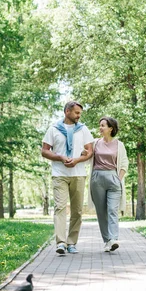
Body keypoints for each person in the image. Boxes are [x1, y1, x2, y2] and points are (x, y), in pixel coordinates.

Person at [42, 101, 94, 255]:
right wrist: (60, 157)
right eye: (77, 113)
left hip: (78, 174)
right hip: (59, 174)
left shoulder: (83, 130)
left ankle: (72, 243)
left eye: (80, 113)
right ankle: (60, 243)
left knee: (77, 211)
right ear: (67, 112)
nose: (79, 116)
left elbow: (90, 151)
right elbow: (44, 151)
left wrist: (77, 160)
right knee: (60, 208)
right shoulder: (53, 129)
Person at [87, 116, 129, 252]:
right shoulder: (95, 143)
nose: (100, 127)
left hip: (113, 178)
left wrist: (118, 178)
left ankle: (113, 239)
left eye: (103, 125)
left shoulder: (119, 145)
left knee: (112, 210)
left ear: (111, 128)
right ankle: (107, 241)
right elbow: (86, 155)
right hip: (97, 178)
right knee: (101, 212)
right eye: (100, 125)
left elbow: (124, 164)